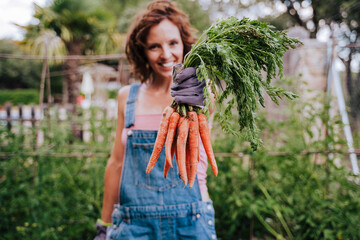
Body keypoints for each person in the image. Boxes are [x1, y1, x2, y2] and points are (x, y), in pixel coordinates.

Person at [94, 1, 217, 239]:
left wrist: (192, 82)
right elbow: (116, 164)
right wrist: (104, 225)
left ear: (185, 44)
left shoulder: (201, 93)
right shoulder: (126, 98)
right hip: (133, 227)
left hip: (191, 221)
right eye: (154, 46)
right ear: (143, 51)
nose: (166, 54)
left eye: (173, 43)